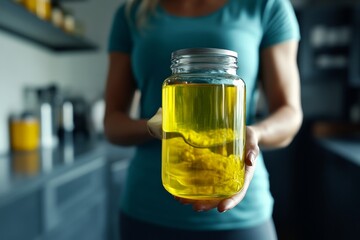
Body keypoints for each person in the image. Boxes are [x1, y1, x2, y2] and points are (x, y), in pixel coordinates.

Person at [104, 0, 303, 239]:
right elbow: (112, 122)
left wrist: (252, 134)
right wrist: (157, 126)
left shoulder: (266, 5)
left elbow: (290, 113)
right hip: (148, 208)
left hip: (239, 211)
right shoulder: (131, 13)